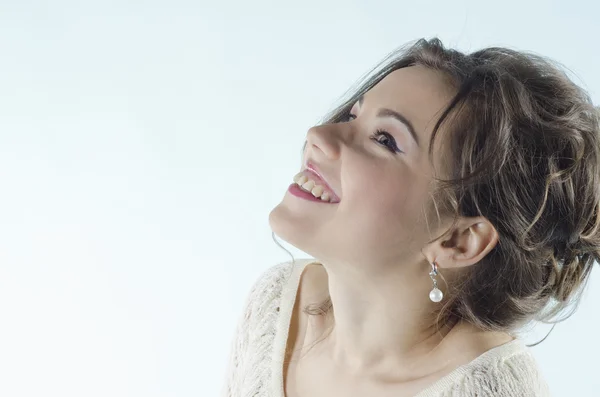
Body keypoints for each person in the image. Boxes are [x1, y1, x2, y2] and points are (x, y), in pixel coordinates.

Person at [222, 37, 600, 396]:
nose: (319, 134)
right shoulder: (275, 307)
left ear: (459, 240)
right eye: (355, 114)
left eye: (384, 139)